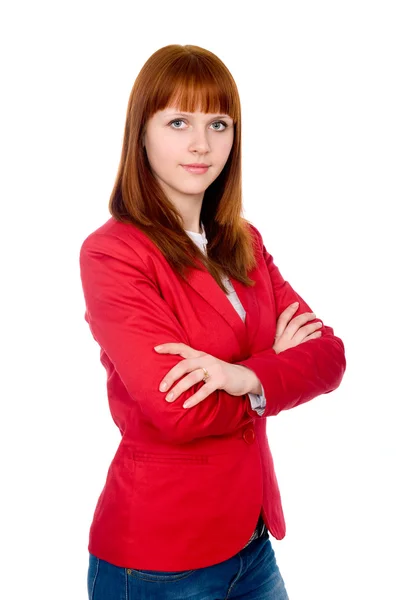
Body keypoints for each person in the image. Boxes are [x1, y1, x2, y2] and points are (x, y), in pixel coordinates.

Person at [79, 43, 346, 600]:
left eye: (218, 123)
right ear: (142, 133)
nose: (202, 144)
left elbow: (329, 356)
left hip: (252, 544)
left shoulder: (244, 242)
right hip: (158, 561)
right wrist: (274, 365)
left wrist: (244, 377)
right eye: (178, 121)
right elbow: (177, 410)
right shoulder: (113, 254)